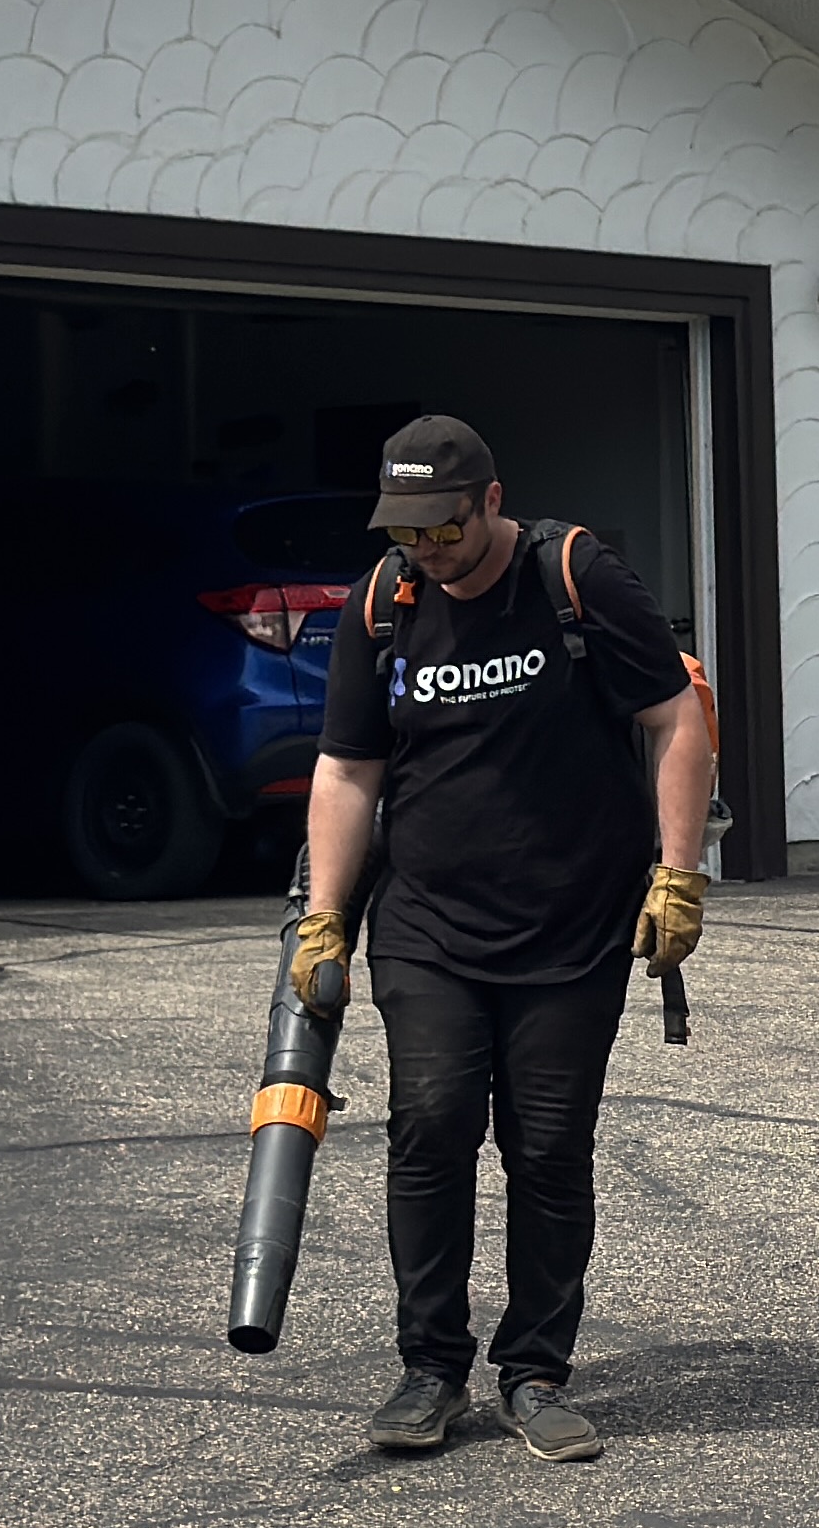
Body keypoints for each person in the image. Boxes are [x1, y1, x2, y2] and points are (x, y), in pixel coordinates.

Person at [286, 411, 708, 1458]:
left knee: (550, 1149)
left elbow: (673, 716)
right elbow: (348, 768)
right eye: (407, 533)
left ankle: (534, 1371)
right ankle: (431, 1369)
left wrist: (679, 873)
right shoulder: (382, 607)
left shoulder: (575, 576)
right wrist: (327, 914)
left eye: (442, 528)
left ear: (490, 500)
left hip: (572, 921)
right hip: (428, 921)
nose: (425, 550)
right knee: (430, 1127)